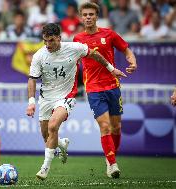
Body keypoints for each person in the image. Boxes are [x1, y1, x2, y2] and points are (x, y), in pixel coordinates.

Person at [26, 23, 127, 180]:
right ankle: (61, 143)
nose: (48, 44)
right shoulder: (39, 55)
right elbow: (32, 79)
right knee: (47, 135)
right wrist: (31, 101)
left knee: (53, 126)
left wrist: (111, 68)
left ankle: (44, 168)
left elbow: (94, 54)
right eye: (45, 41)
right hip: (46, 98)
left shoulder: (74, 48)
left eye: (51, 40)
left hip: (66, 96)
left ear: (59, 38)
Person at [73, 2, 137, 179]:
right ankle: (112, 163)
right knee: (105, 126)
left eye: (91, 14)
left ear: (96, 16)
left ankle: (110, 157)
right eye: (85, 14)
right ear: (80, 17)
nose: (88, 17)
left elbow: (126, 50)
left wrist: (133, 61)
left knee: (116, 127)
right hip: (93, 88)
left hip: (113, 86)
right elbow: (73, 63)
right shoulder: (77, 39)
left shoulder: (109, 34)